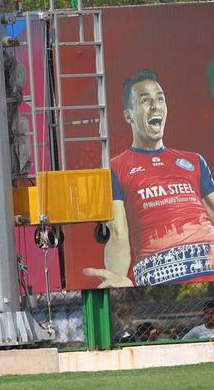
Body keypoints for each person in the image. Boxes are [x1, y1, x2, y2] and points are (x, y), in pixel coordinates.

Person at [84, 69, 214, 288]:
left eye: (160, 99)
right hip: (162, 281)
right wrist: (116, 275)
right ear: (128, 115)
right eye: (145, 100)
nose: (155, 106)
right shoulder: (115, 168)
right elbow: (118, 233)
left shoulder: (194, 161)